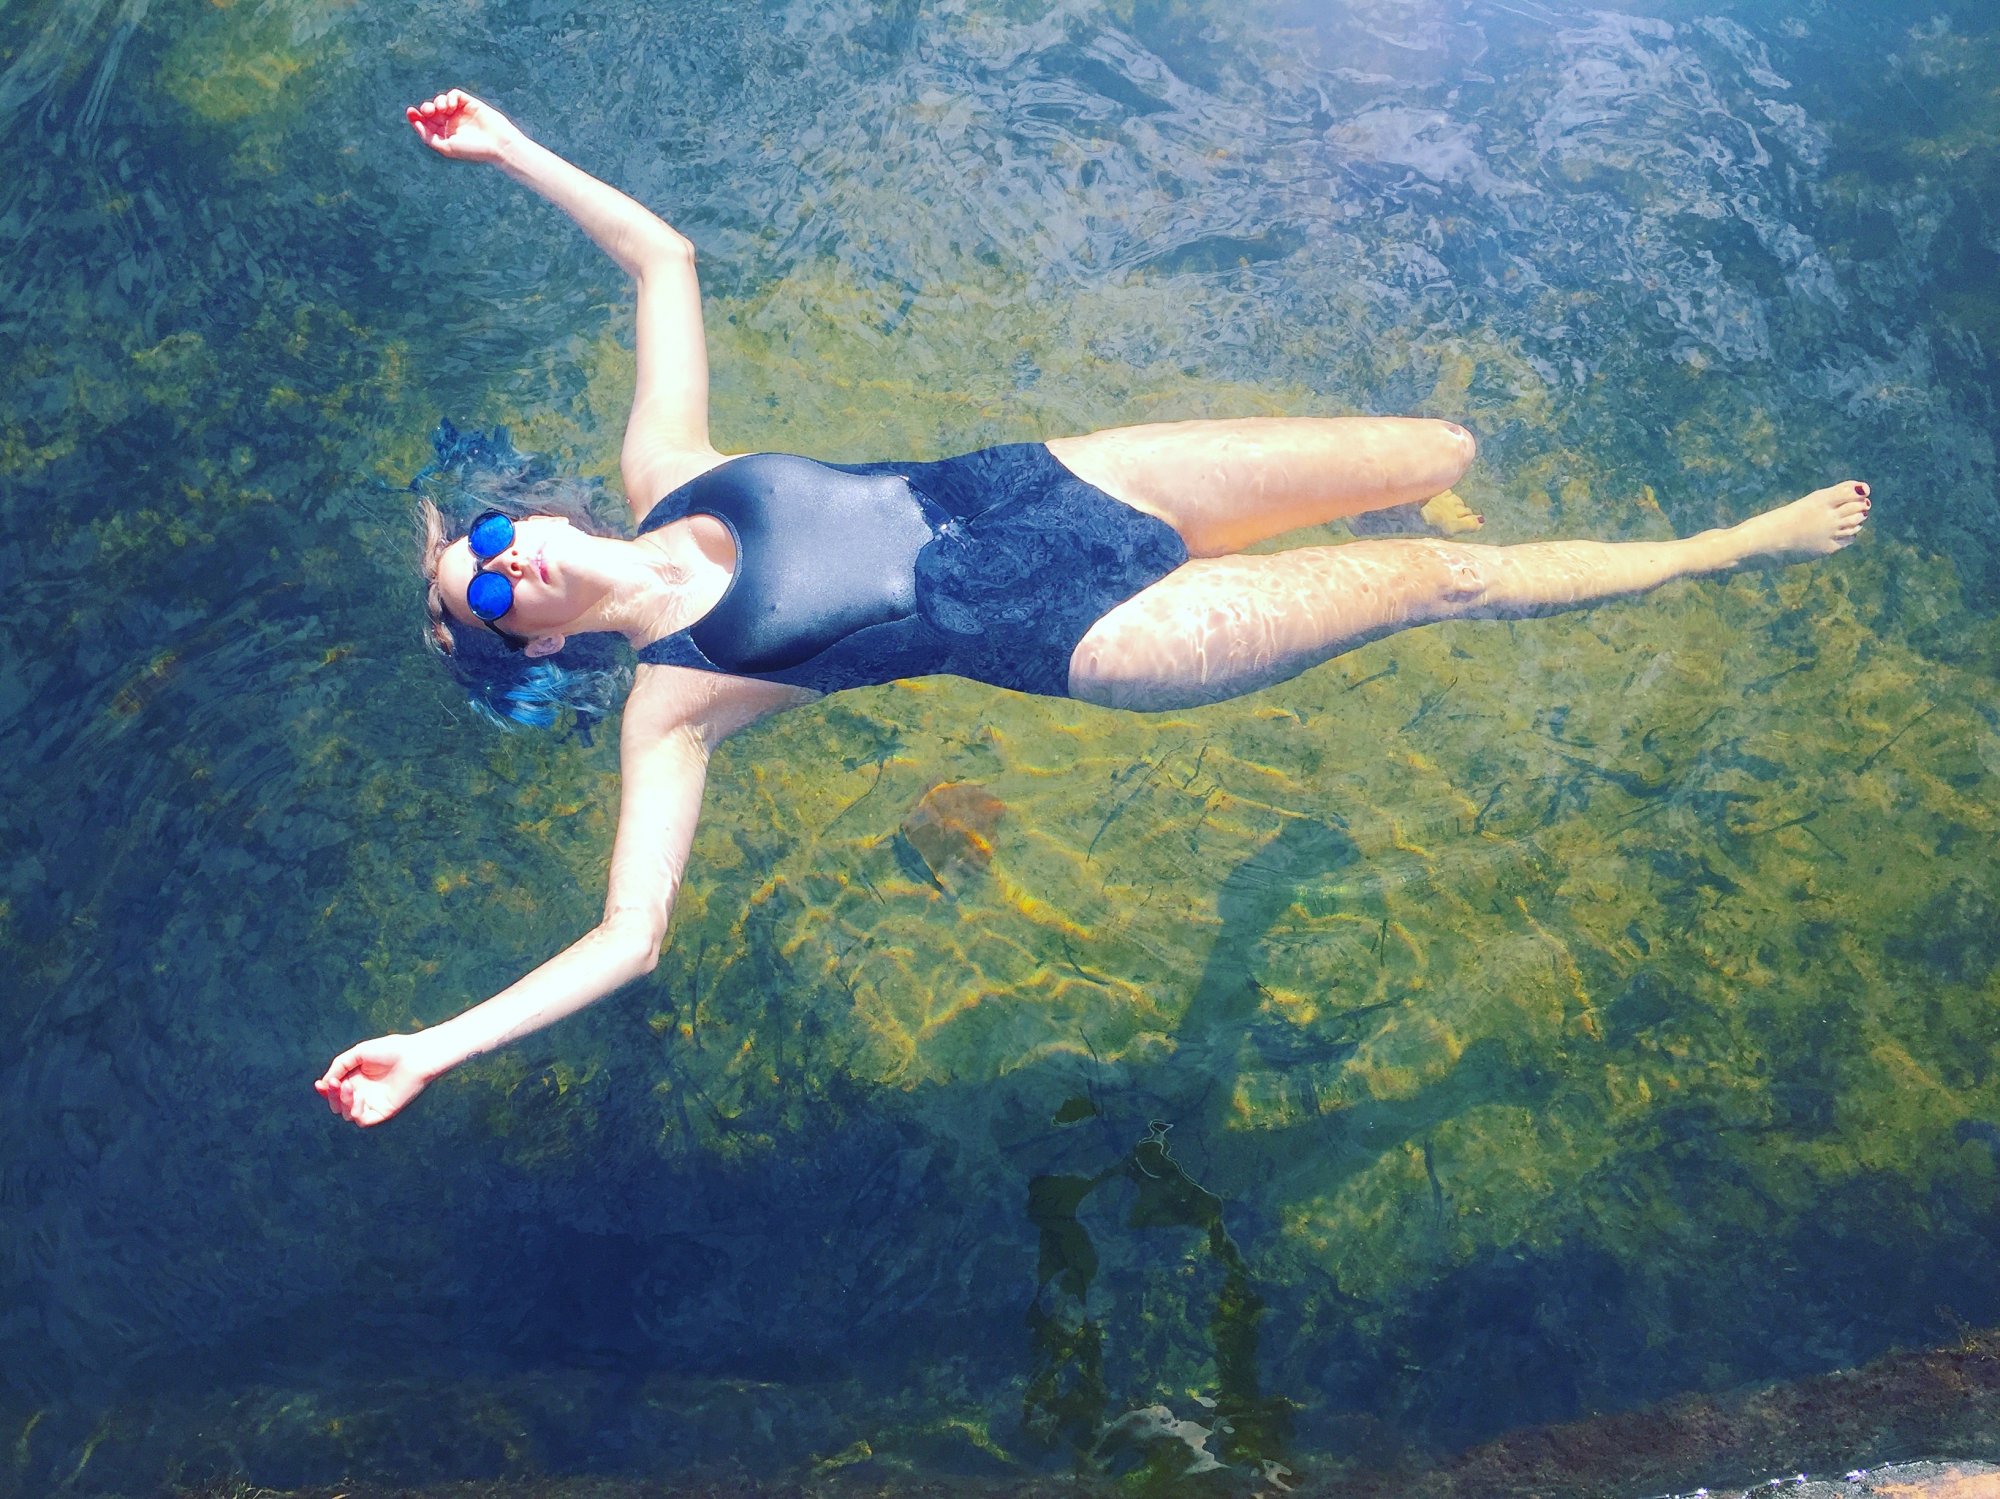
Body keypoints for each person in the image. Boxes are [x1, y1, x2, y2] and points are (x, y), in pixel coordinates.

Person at [317, 90, 1871, 1128]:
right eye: (496, 588)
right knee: (1447, 583)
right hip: (1090, 640)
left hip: (1048, 484)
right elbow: (628, 939)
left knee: (1436, 452)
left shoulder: (671, 469)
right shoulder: (677, 702)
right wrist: (435, 1050)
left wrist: (509, 148)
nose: (517, 557)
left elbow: (662, 255)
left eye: (501, 534)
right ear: (532, 647)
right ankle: (1729, 547)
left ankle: (1431, 492)